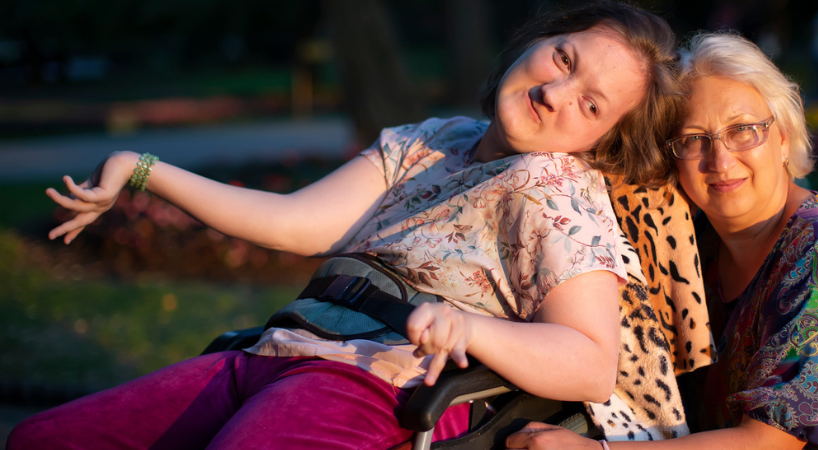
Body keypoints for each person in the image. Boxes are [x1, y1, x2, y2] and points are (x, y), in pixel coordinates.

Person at [8, 3, 685, 449]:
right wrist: (142, 169)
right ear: (536, 40)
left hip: (375, 382)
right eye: (562, 58)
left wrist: (472, 327)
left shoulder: (561, 192)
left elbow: (592, 364)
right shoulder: (434, 140)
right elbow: (295, 222)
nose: (555, 92)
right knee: (43, 440)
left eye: (590, 104)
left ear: (600, 141)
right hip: (274, 353)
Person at [506, 32, 818, 450]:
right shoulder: (694, 251)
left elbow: (767, 442)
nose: (720, 160)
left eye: (743, 131)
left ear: (784, 138)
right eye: (693, 138)